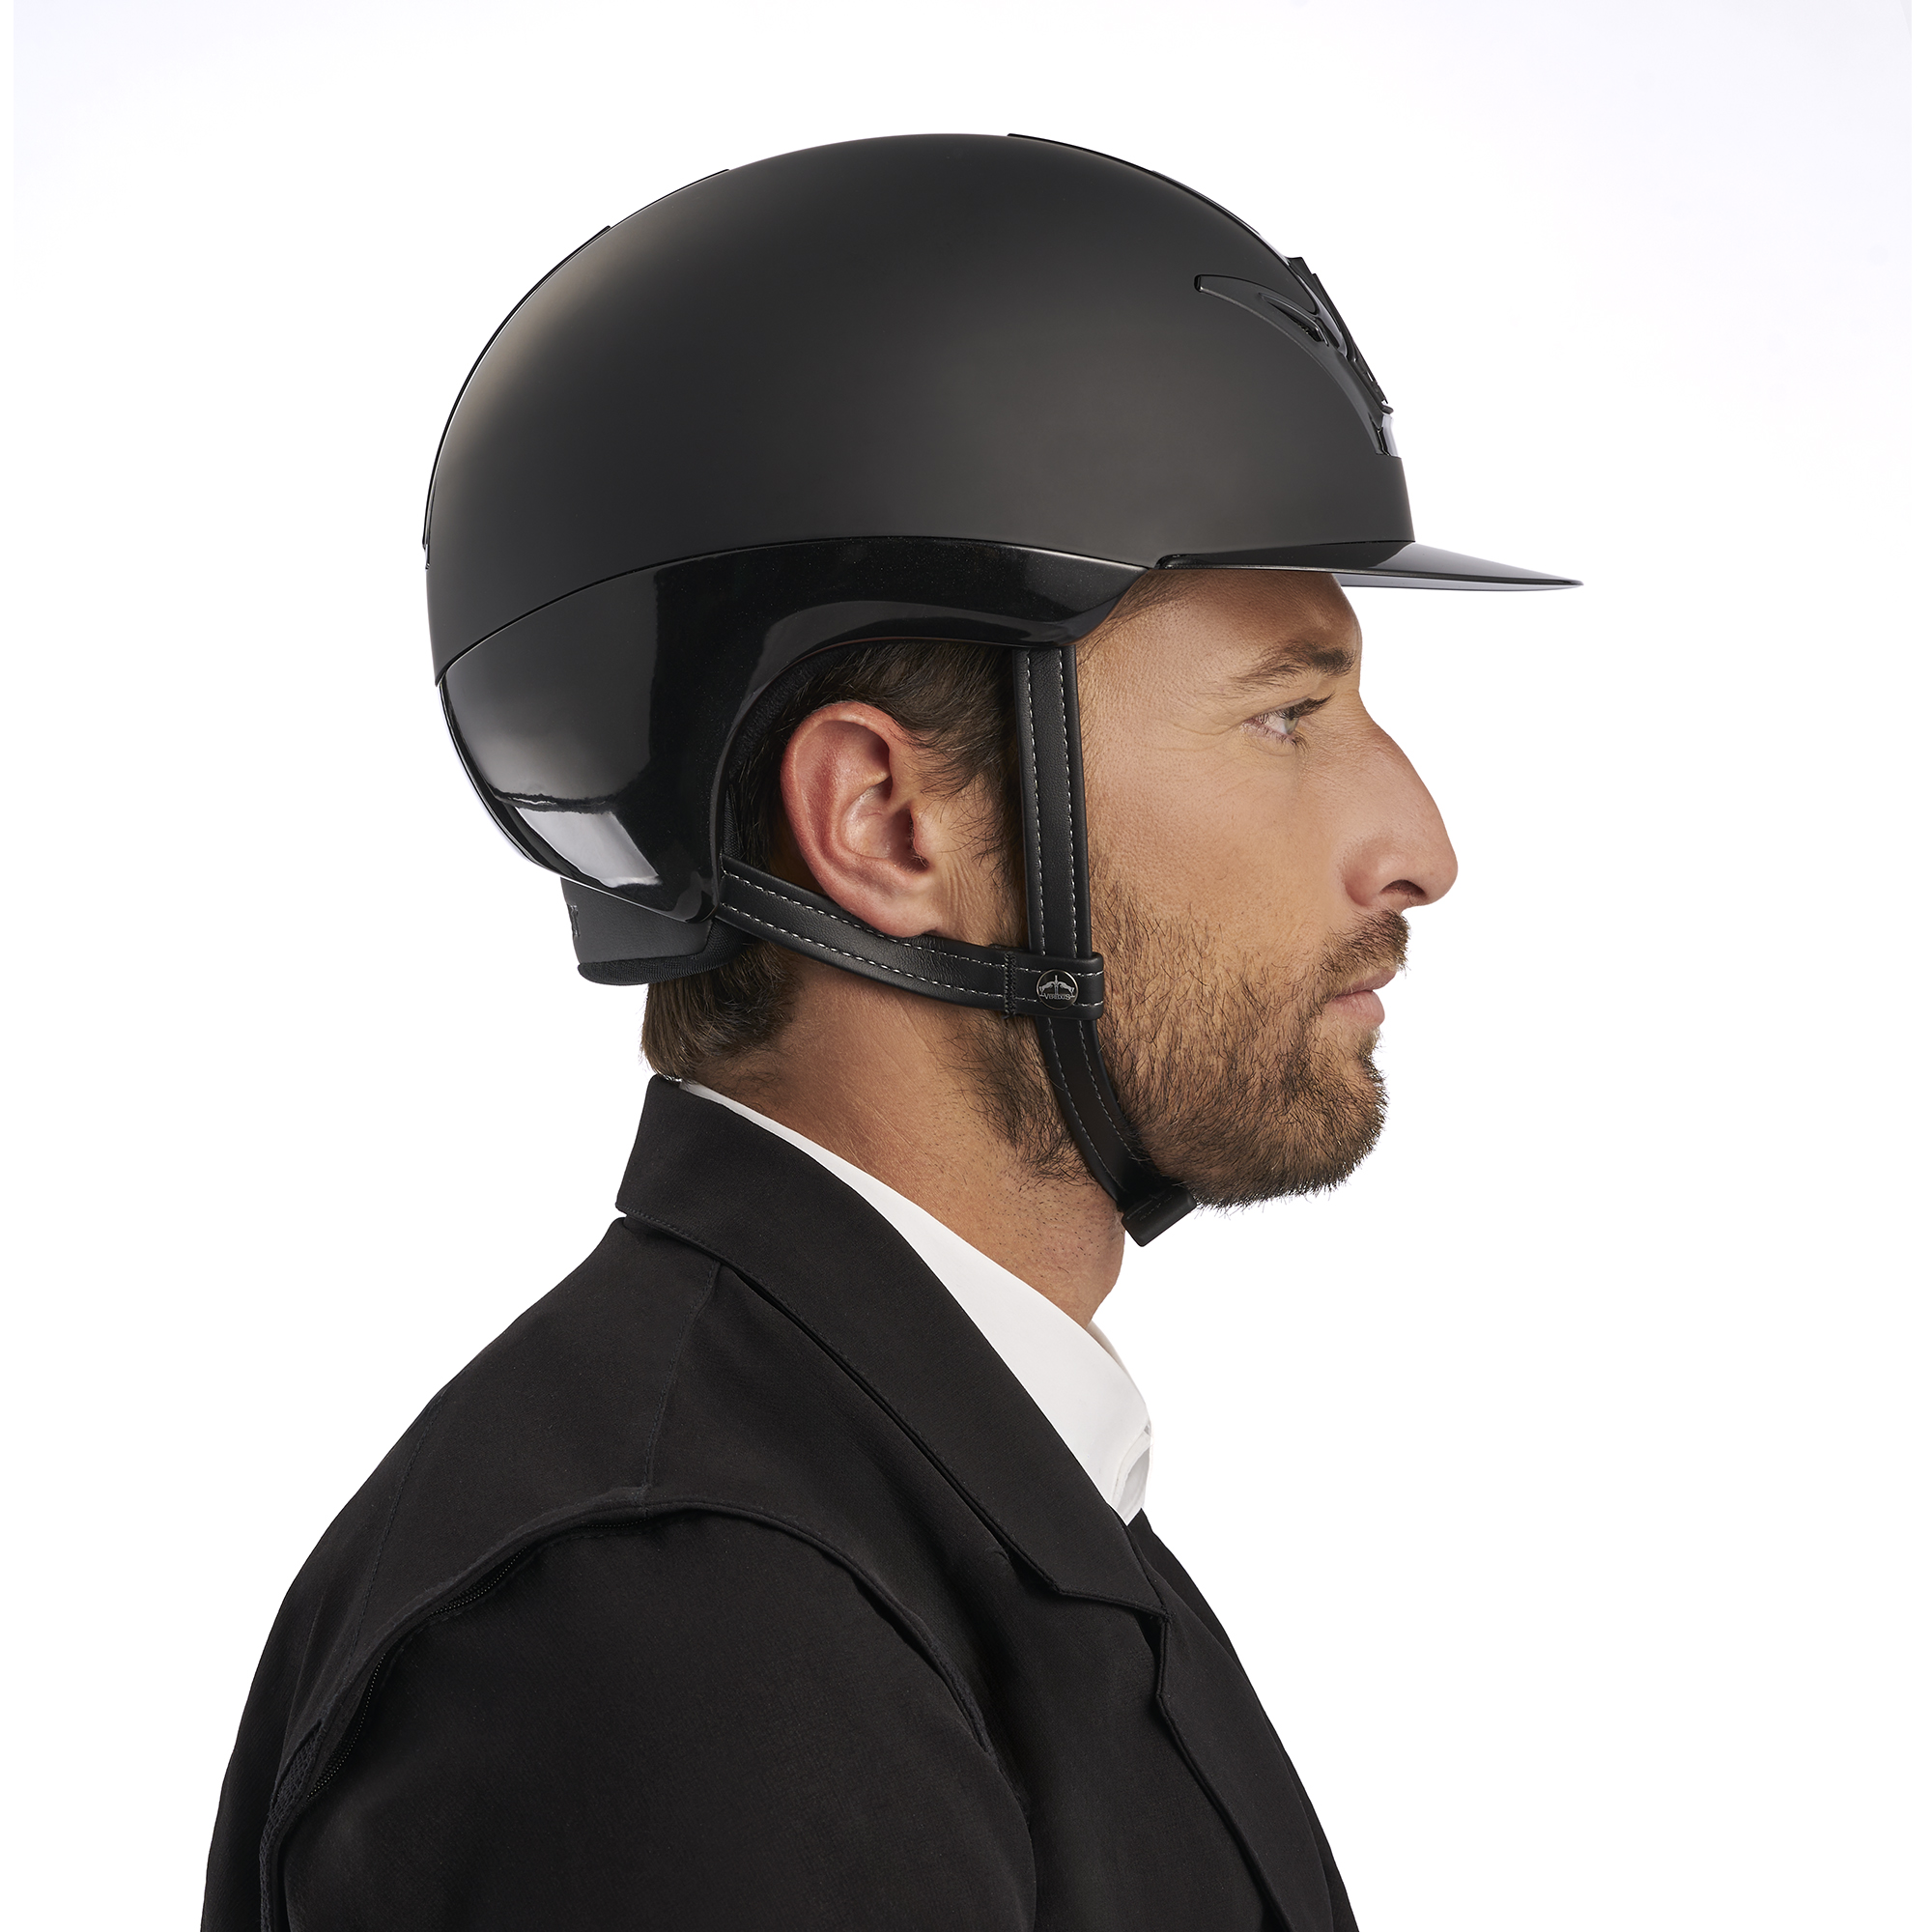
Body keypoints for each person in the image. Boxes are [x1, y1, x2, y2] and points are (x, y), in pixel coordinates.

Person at [203, 134, 1573, 1930]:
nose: (1419, 848)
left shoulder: (928, 1503)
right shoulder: (682, 1631)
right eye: (1285, 718)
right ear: (887, 824)